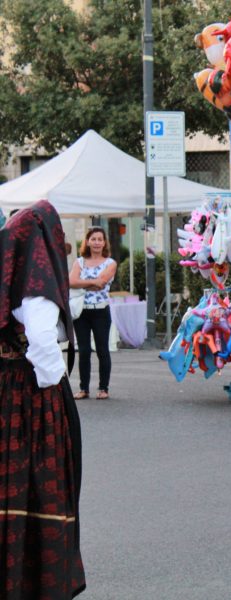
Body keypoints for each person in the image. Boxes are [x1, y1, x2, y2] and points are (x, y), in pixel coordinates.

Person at [1, 201, 86, 598]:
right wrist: (57, 389)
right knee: (42, 482)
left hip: (6, 388)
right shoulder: (36, 284)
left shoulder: (9, 273)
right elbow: (41, 342)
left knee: (11, 479)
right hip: (30, 394)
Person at [69, 226, 117, 400]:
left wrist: (82, 282)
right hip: (81, 312)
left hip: (101, 312)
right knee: (83, 350)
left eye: (100, 239)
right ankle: (83, 389)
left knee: (102, 350)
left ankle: (103, 388)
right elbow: (71, 282)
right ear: (87, 242)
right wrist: (92, 282)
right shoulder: (79, 262)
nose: (96, 242)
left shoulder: (110, 263)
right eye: (93, 239)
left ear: (104, 242)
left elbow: (103, 282)